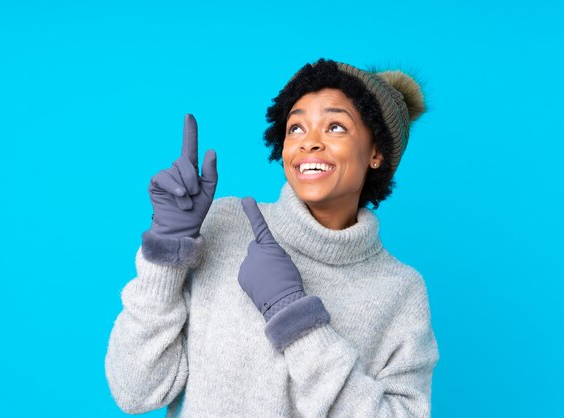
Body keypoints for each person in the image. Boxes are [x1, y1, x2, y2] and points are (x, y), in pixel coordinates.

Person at [105, 58, 439, 417]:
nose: (309, 142)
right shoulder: (227, 225)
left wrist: (295, 317)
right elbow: (135, 392)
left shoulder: (400, 291)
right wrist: (166, 254)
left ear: (376, 153)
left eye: (336, 127)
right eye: (296, 128)